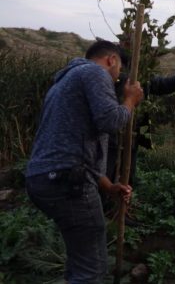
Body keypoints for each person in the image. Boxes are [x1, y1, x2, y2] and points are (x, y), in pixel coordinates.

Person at [25, 40, 144, 283]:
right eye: (119, 68)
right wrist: (130, 100)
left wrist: (107, 186)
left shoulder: (64, 82)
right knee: (92, 270)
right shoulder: (94, 72)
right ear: (111, 60)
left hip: (45, 178)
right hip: (68, 182)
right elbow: (110, 120)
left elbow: (73, 145)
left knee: (80, 260)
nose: (117, 77)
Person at [107, 68, 175, 188]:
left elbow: (158, 85)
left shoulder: (141, 68)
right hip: (110, 134)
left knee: (127, 174)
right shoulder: (113, 66)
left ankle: (122, 203)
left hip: (132, 133)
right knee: (107, 173)